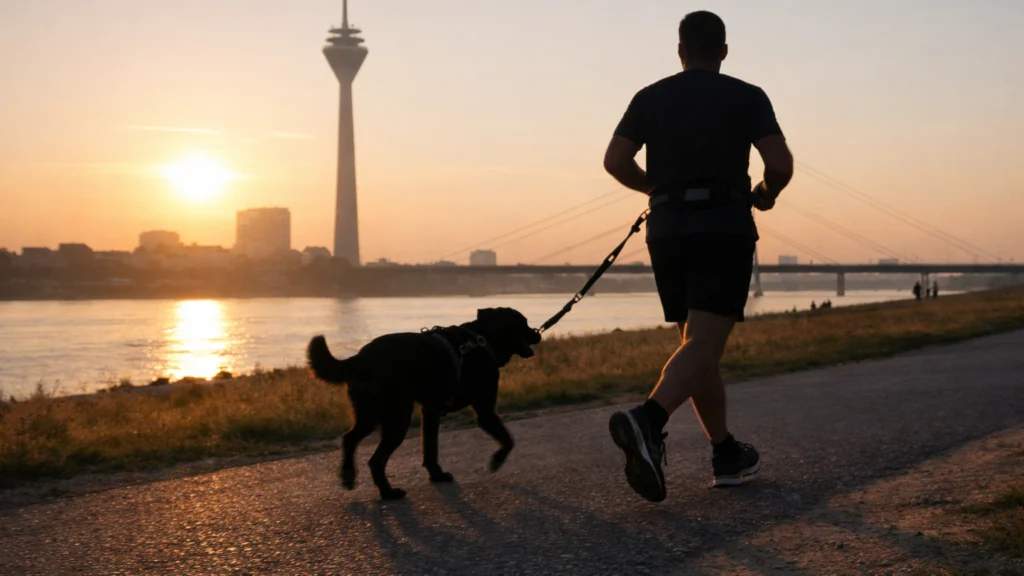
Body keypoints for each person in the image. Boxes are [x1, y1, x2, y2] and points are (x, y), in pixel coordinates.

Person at [603, 11, 793, 501]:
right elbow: (779, 164)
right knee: (705, 343)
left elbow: (615, 161)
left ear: (680, 50)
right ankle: (647, 420)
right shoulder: (747, 96)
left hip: (667, 230)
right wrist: (766, 192)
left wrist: (658, 190)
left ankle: (726, 453)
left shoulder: (650, 96)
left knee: (697, 343)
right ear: (724, 52)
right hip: (723, 225)